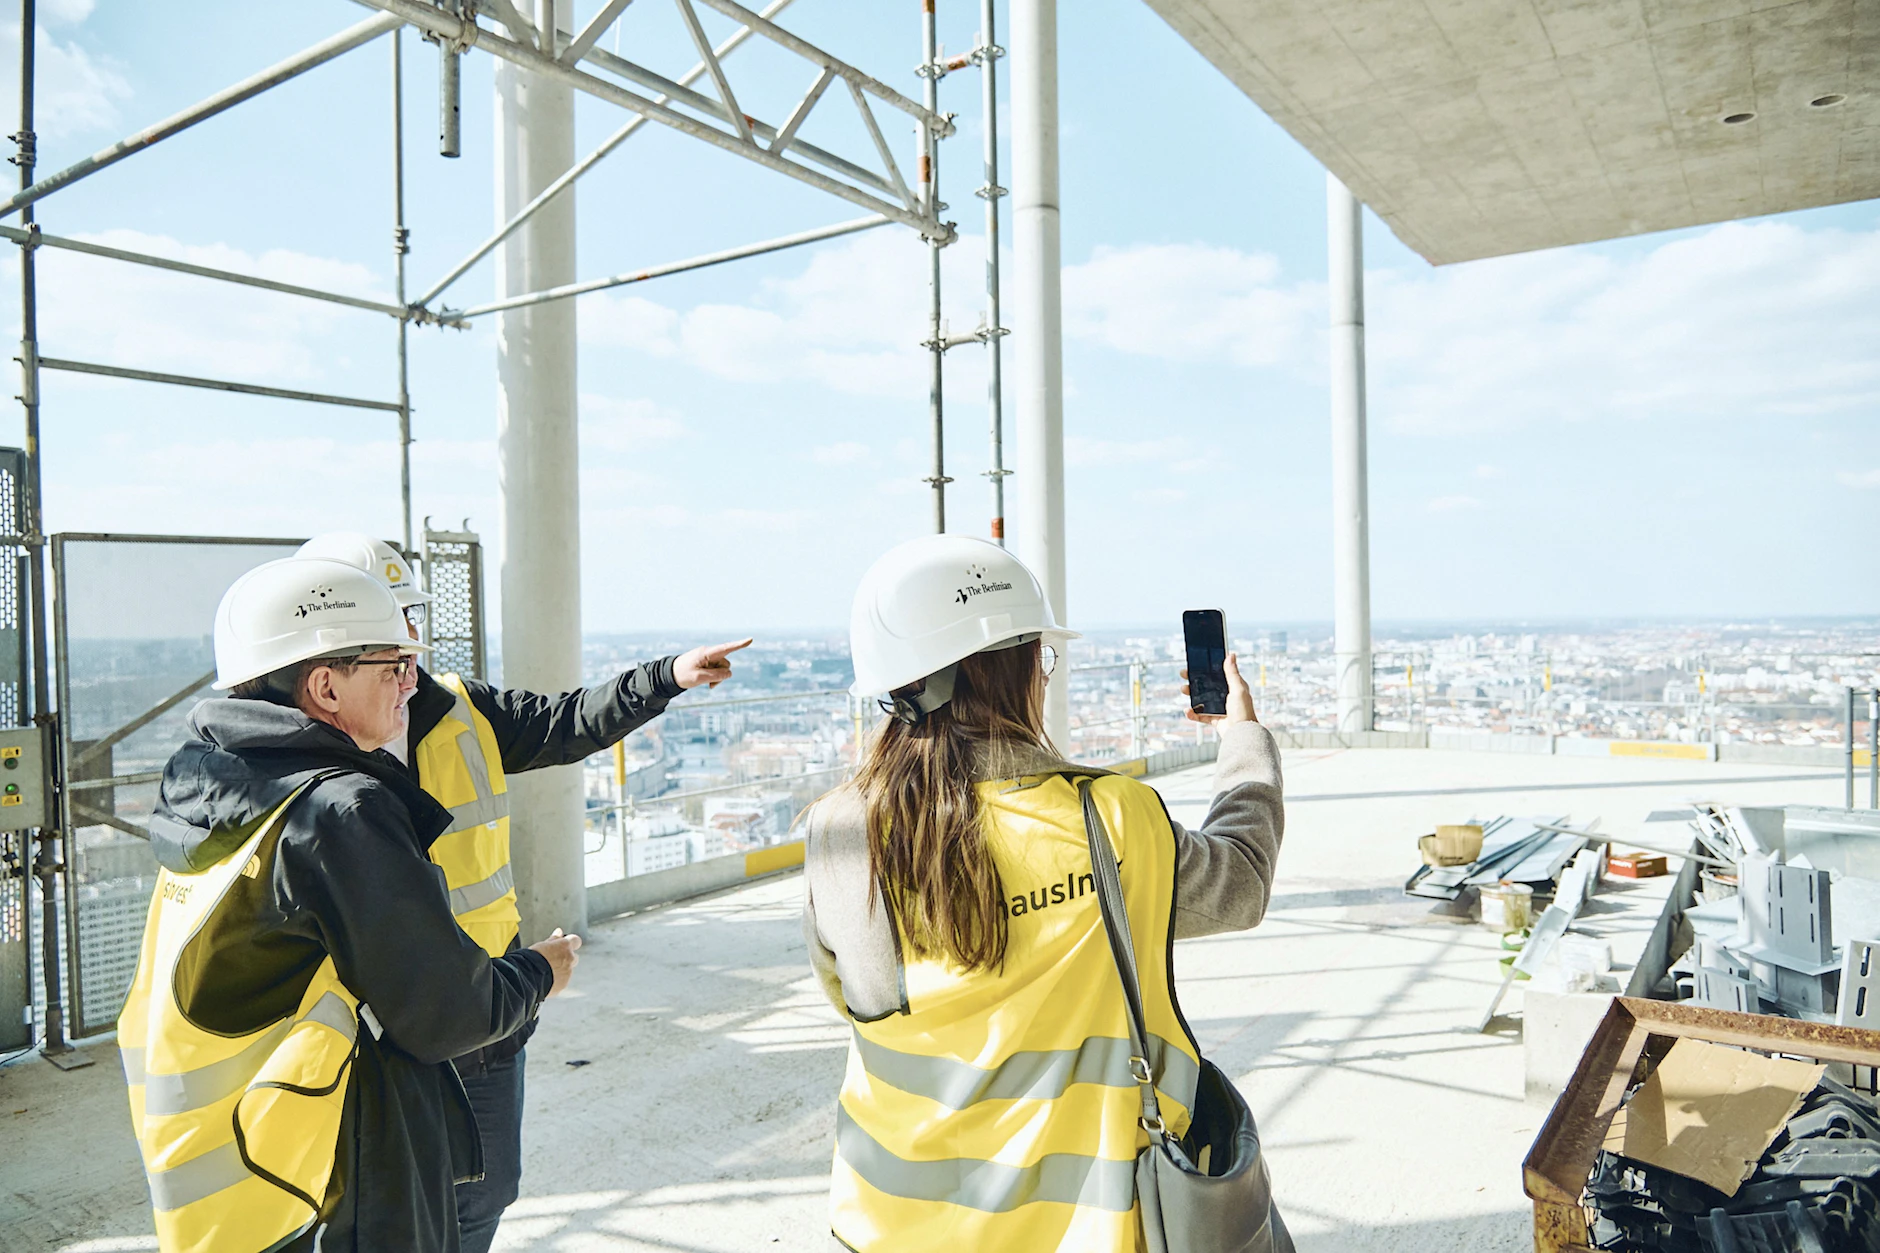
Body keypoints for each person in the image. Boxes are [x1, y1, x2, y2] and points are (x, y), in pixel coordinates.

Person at [801, 534, 1288, 1252]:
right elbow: (1239, 883)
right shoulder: (1114, 819)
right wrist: (1241, 737)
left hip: (894, 1220)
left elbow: (854, 993)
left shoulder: (841, 831)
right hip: (1087, 1226)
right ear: (1024, 665)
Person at [296, 530, 750, 1253]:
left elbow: (569, 720)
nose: (408, 644)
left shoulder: (461, 709)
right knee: (368, 1216)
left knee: (485, 1192)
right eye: (388, 631)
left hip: (484, 1011)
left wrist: (666, 676)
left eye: (410, 621)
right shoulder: (297, 761)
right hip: (370, 1036)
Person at [119, 557, 583, 1253]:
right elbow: (449, 1011)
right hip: (337, 1168)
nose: (411, 680)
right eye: (391, 663)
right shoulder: (340, 810)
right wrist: (541, 970)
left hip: (249, 1161)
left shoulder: (212, 783)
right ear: (325, 686)